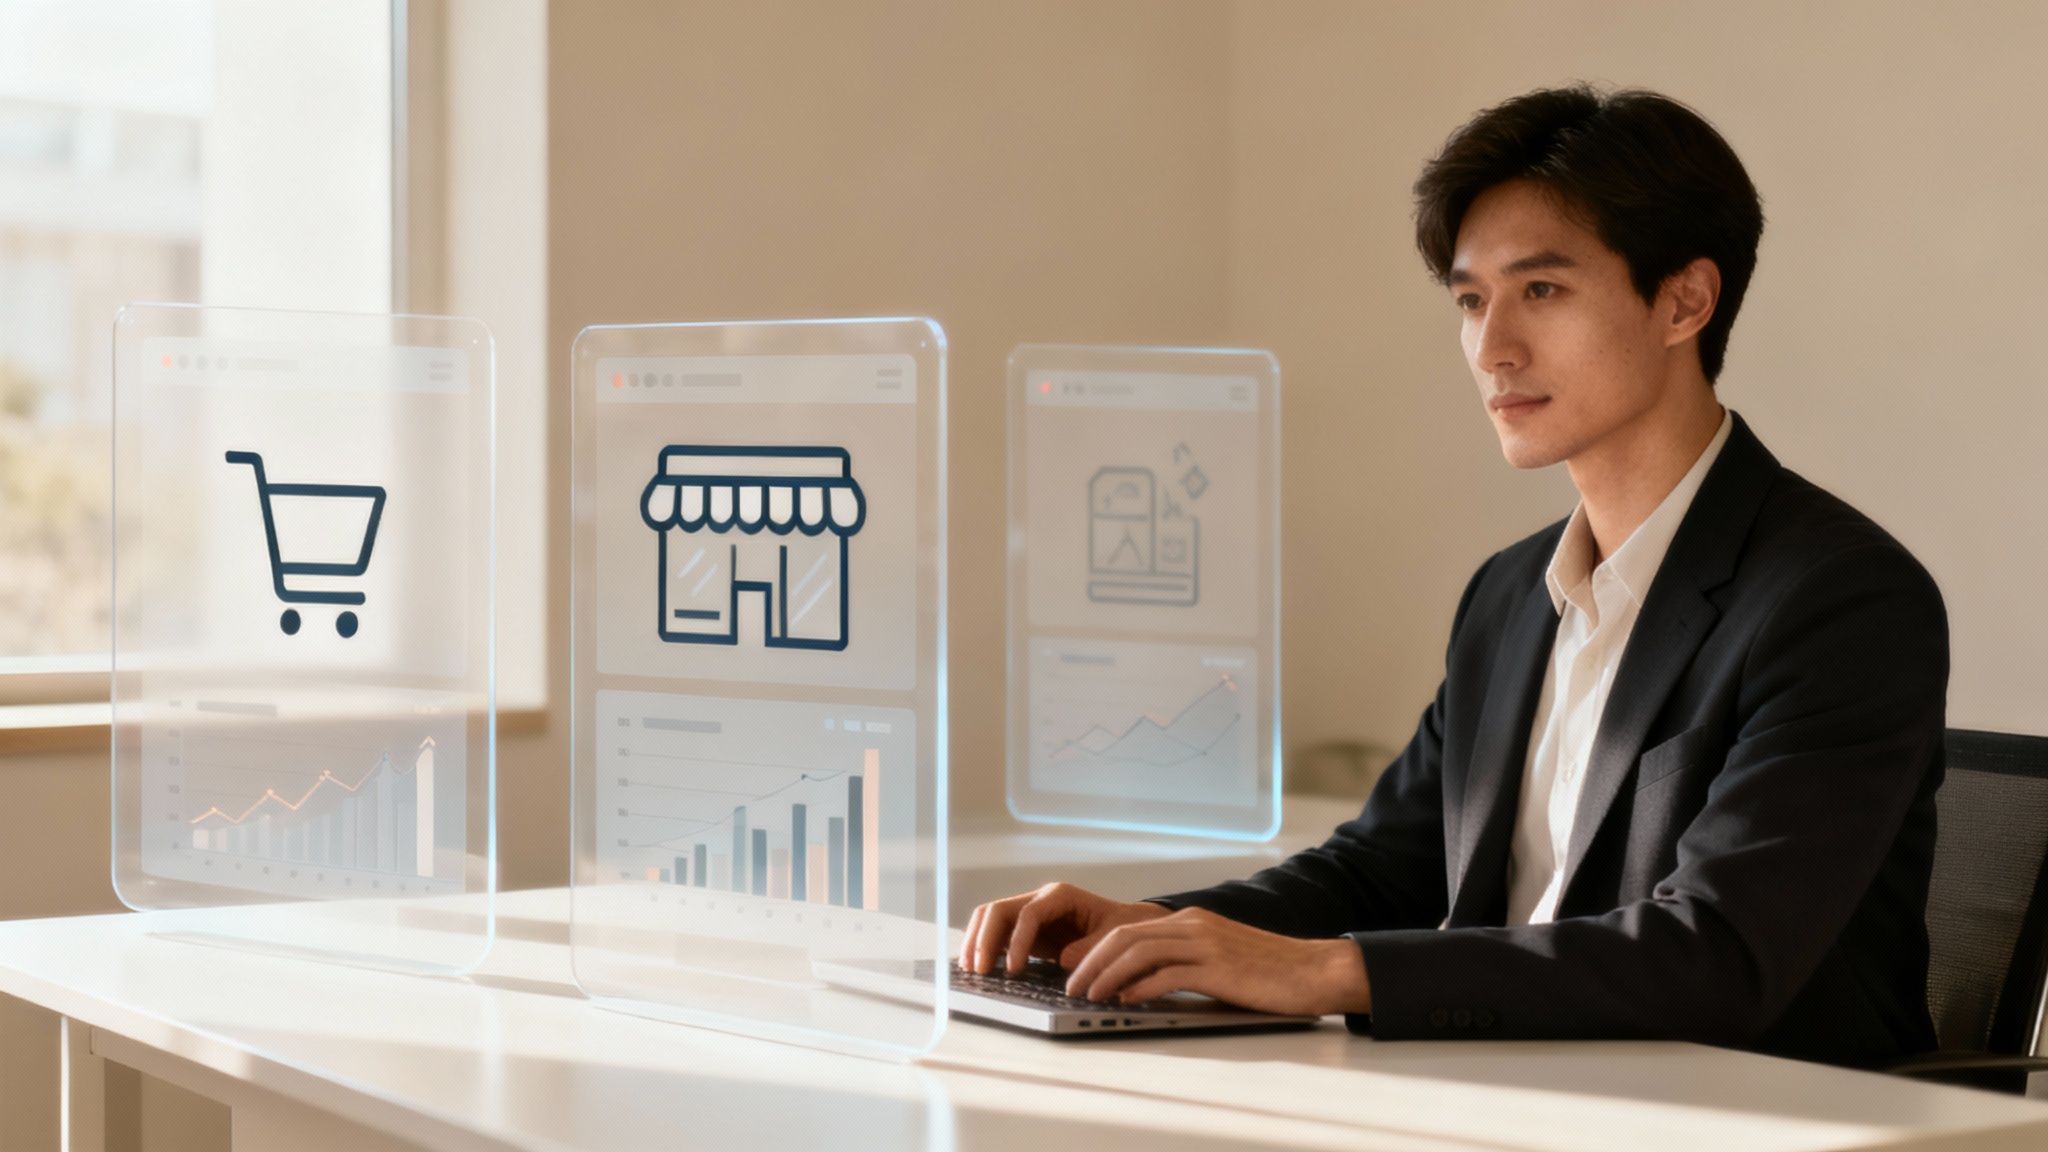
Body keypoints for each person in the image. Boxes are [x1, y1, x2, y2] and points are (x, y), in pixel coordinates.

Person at [961, 84, 1948, 1067]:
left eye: (1541, 291)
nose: (1490, 348)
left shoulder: (1838, 600)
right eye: (1470, 301)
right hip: (1509, 1091)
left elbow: (1717, 957)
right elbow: (1383, 868)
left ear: (1682, 299)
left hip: (1758, 1115)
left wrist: (1327, 972)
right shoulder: (1510, 594)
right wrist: (1142, 929)